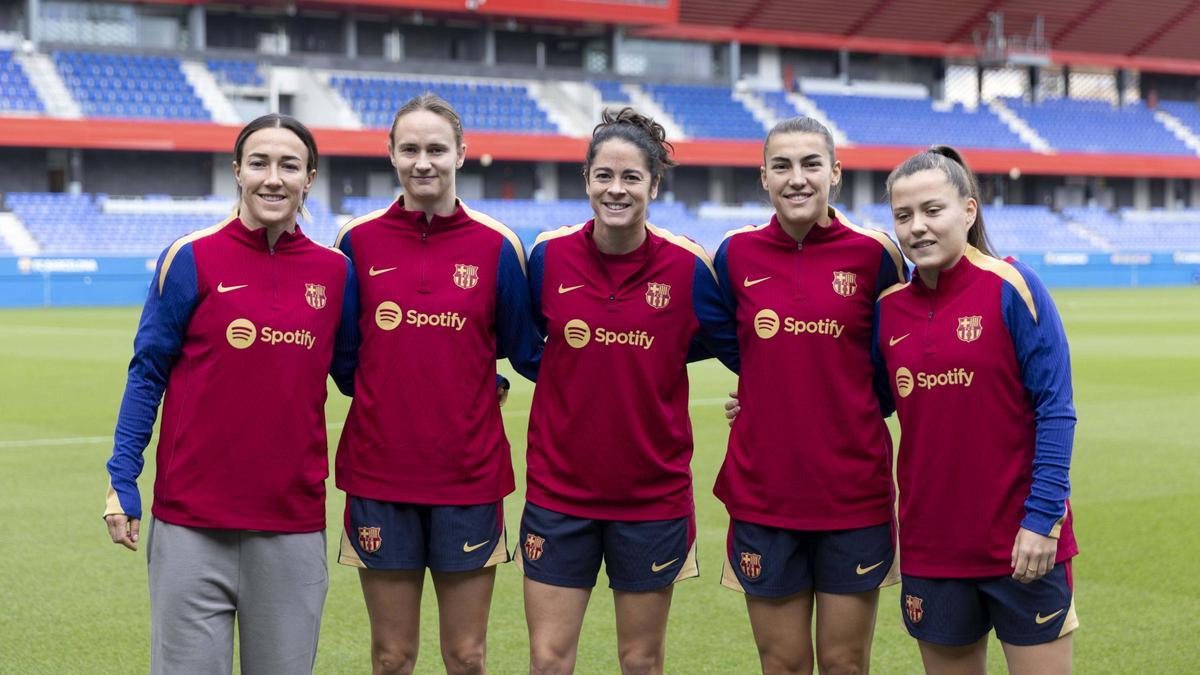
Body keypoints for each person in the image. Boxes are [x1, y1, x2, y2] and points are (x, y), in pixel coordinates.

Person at [103, 113, 359, 674]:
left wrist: (465, 373)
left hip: (291, 526)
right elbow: (147, 373)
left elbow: (361, 377)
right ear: (237, 171)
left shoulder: (336, 272)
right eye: (260, 163)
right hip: (191, 525)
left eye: (289, 165)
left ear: (309, 177)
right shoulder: (190, 257)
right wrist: (122, 479)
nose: (274, 178)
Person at [520, 107, 739, 675]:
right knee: (547, 660)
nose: (616, 190)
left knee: (640, 661)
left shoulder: (690, 267)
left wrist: (756, 398)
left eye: (631, 178)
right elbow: (522, 344)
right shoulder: (548, 255)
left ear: (655, 184)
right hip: (558, 491)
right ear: (586, 180)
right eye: (604, 177)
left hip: (652, 497)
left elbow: (745, 349)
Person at [333, 93, 541, 675]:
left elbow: (525, 352)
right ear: (391, 155)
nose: (423, 162)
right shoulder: (357, 241)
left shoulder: (498, 246)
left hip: (469, 479)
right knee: (392, 656)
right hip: (380, 476)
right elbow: (345, 361)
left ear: (462, 154)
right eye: (410, 149)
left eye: (436, 149)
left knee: (467, 657)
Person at [713, 117, 908, 675]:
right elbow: (735, 343)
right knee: (783, 665)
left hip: (853, 495)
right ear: (764, 178)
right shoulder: (734, 255)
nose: (797, 179)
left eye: (810, 164)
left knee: (846, 665)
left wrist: (837, 402)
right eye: (782, 166)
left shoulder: (877, 255)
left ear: (835, 174)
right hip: (764, 495)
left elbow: (896, 357)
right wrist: (766, 388)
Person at [875, 146, 1078, 674]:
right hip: (931, 546)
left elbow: (1056, 409)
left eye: (932, 210)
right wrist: (758, 398)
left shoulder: (1015, 286)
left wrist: (1043, 523)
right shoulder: (888, 308)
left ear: (968, 211)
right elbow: (863, 401)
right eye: (903, 215)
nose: (917, 227)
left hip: (1021, 543)